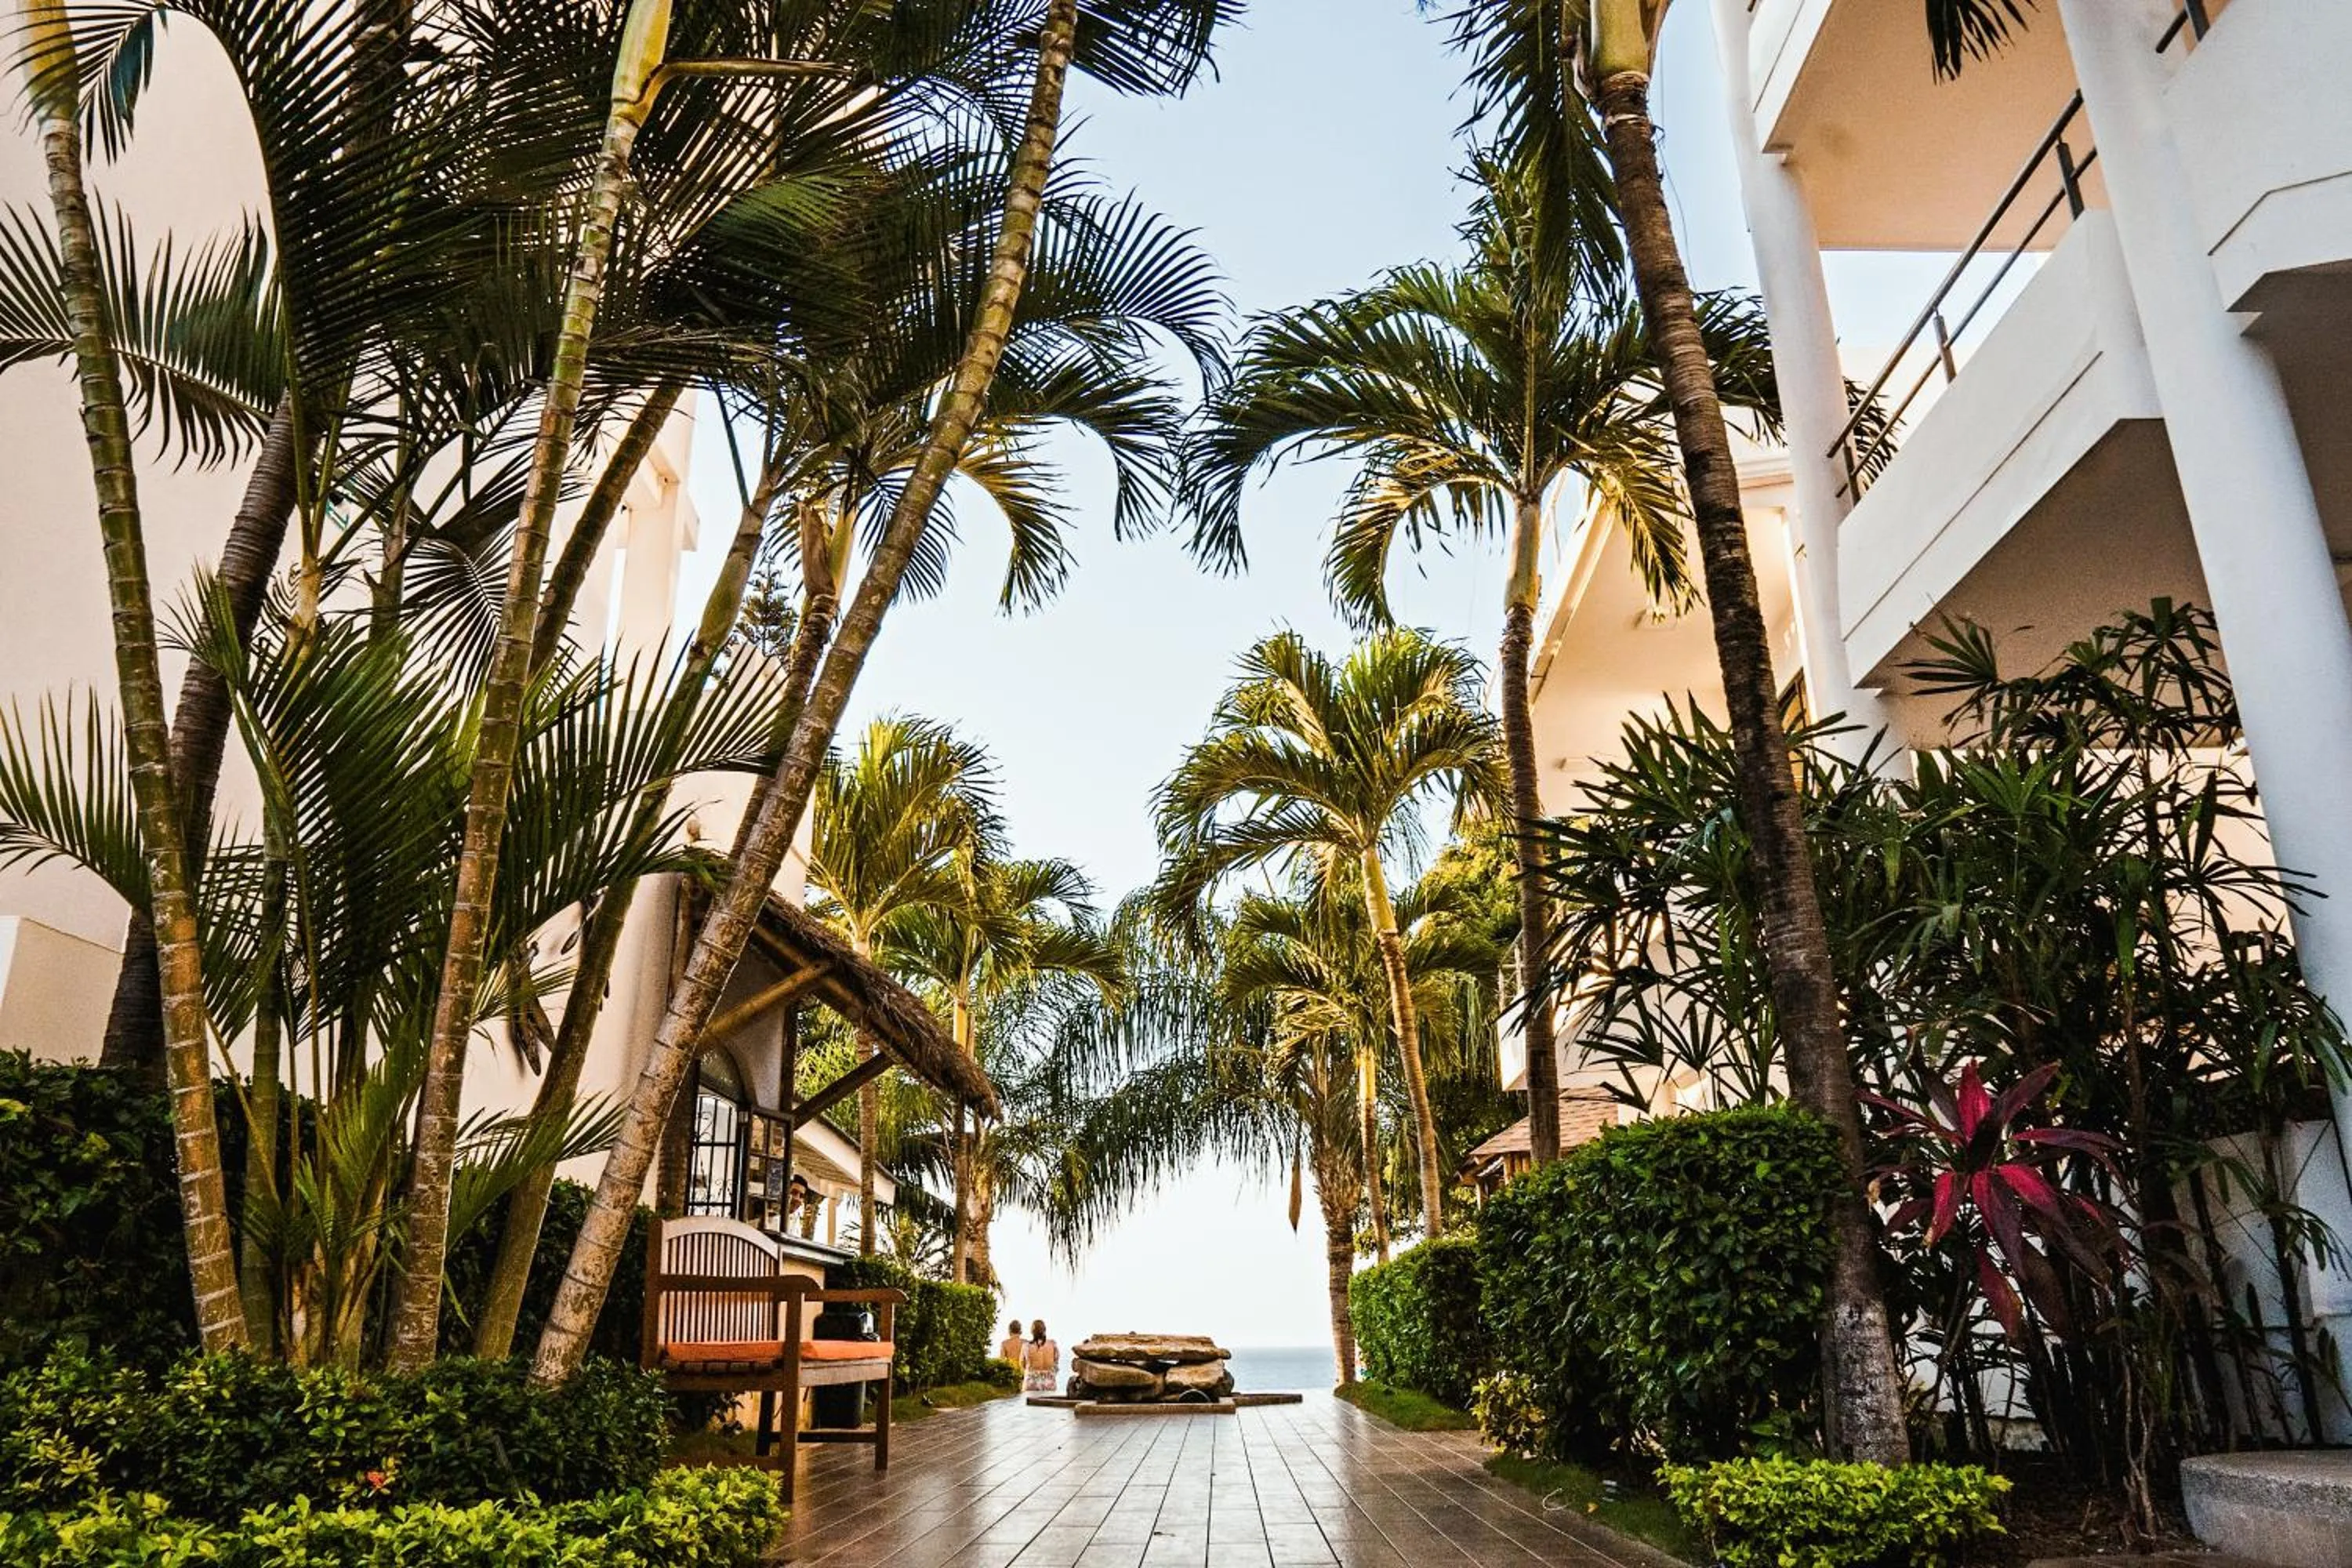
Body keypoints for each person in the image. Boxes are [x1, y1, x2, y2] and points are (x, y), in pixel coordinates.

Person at [1022, 1319, 1060, 1394]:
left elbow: (1022, 1364)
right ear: (1045, 1330)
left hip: (1031, 1382)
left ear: (1032, 1332)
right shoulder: (1053, 1344)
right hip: (1049, 1383)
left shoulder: (1026, 1346)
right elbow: (1056, 1362)